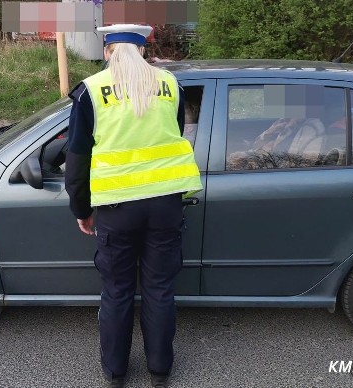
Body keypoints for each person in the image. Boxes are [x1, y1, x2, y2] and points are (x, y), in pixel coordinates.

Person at [64, 24, 203, 388]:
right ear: (143, 50)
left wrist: (81, 210)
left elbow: (77, 161)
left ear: (108, 51)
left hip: (116, 209)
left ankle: (116, 372)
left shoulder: (91, 91)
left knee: (117, 291)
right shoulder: (171, 85)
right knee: (159, 289)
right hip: (165, 205)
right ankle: (160, 371)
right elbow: (175, 138)